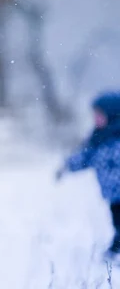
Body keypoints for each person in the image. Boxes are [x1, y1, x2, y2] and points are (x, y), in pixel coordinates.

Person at [57, 91, 120, 260]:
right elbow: (84, 157)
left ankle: (116, 249)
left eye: (100, 115)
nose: (96, 119)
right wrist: (67, 166)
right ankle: (116, 247)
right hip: (113, 195)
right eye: (95, 115)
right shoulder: (98, 139)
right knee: (117, 222)